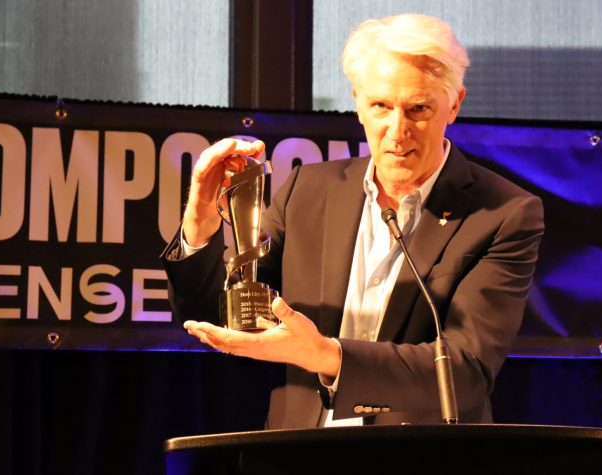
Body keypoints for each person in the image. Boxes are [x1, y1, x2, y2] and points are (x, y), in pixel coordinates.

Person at [162, 13, 544, 428]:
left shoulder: (503, 213)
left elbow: (465, 372)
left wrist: (324, 355)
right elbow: (222, 318)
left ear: (454, 104)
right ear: (358, 102)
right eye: (381, 106)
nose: (397, 131)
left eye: (418, 108)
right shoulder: (306, 190)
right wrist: (200, 220)